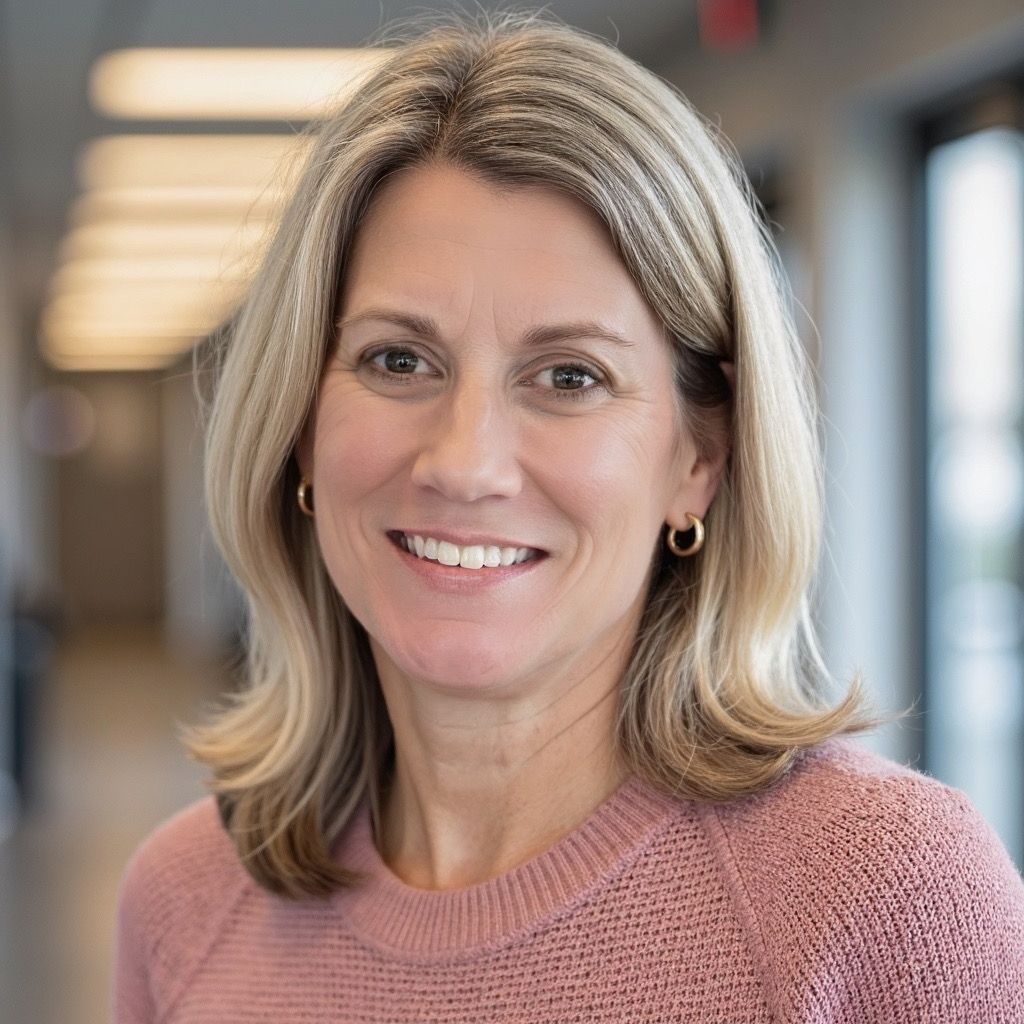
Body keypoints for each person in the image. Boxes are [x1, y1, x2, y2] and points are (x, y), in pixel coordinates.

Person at [113, 11, 1024, 1023]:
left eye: (568, 375)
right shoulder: (184, 900)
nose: (463, 462)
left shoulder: (882, 897)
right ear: (299, 424)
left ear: (699, 456)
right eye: (397, 359)